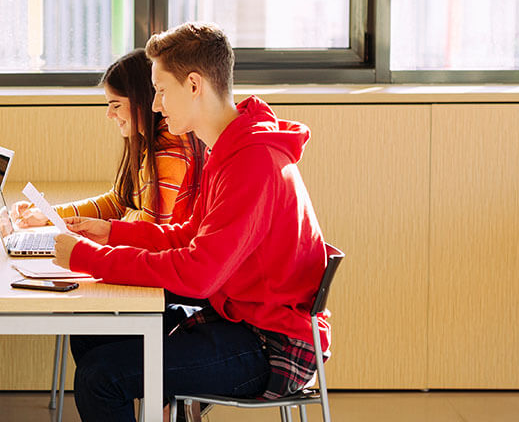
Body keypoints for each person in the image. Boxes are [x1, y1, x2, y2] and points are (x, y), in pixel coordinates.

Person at [54, 23, 330, 422]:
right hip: (238, 316)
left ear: (195, 85)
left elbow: (198, 273)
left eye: (162, 91)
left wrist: (90, 258)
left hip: (270, 343)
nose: (155, 105)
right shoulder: (231, 148)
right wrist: (113, 231)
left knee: (101, 377)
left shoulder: (251, 162)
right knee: (93, 333)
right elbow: (191, 234)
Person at [11, 49, 202, 229]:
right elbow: (116, 202)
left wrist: (124, 216)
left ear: (142, 101)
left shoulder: (171, 148)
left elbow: (150, 227)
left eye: (116, 106)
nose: (109, 114)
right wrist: (49, 214)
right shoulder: (146, 141)